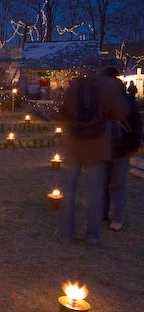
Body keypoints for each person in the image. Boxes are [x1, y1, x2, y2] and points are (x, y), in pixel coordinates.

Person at [58, 68, 129, 245]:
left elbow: (63, 109)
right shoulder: (108, 86)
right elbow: (121, 111)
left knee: (69, 191)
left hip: (75, 144)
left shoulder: (74, 86)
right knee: (95, 193)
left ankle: (66, 233)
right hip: (97, 147)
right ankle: (92, 235)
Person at [102, 69, 142, 231]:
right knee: (104, 184)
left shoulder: (126, 102)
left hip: (121, 148)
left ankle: (117, 217)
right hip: (104, 148)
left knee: (116, 185)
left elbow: (135, 125)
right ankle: (103, 214)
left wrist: (133, 146)